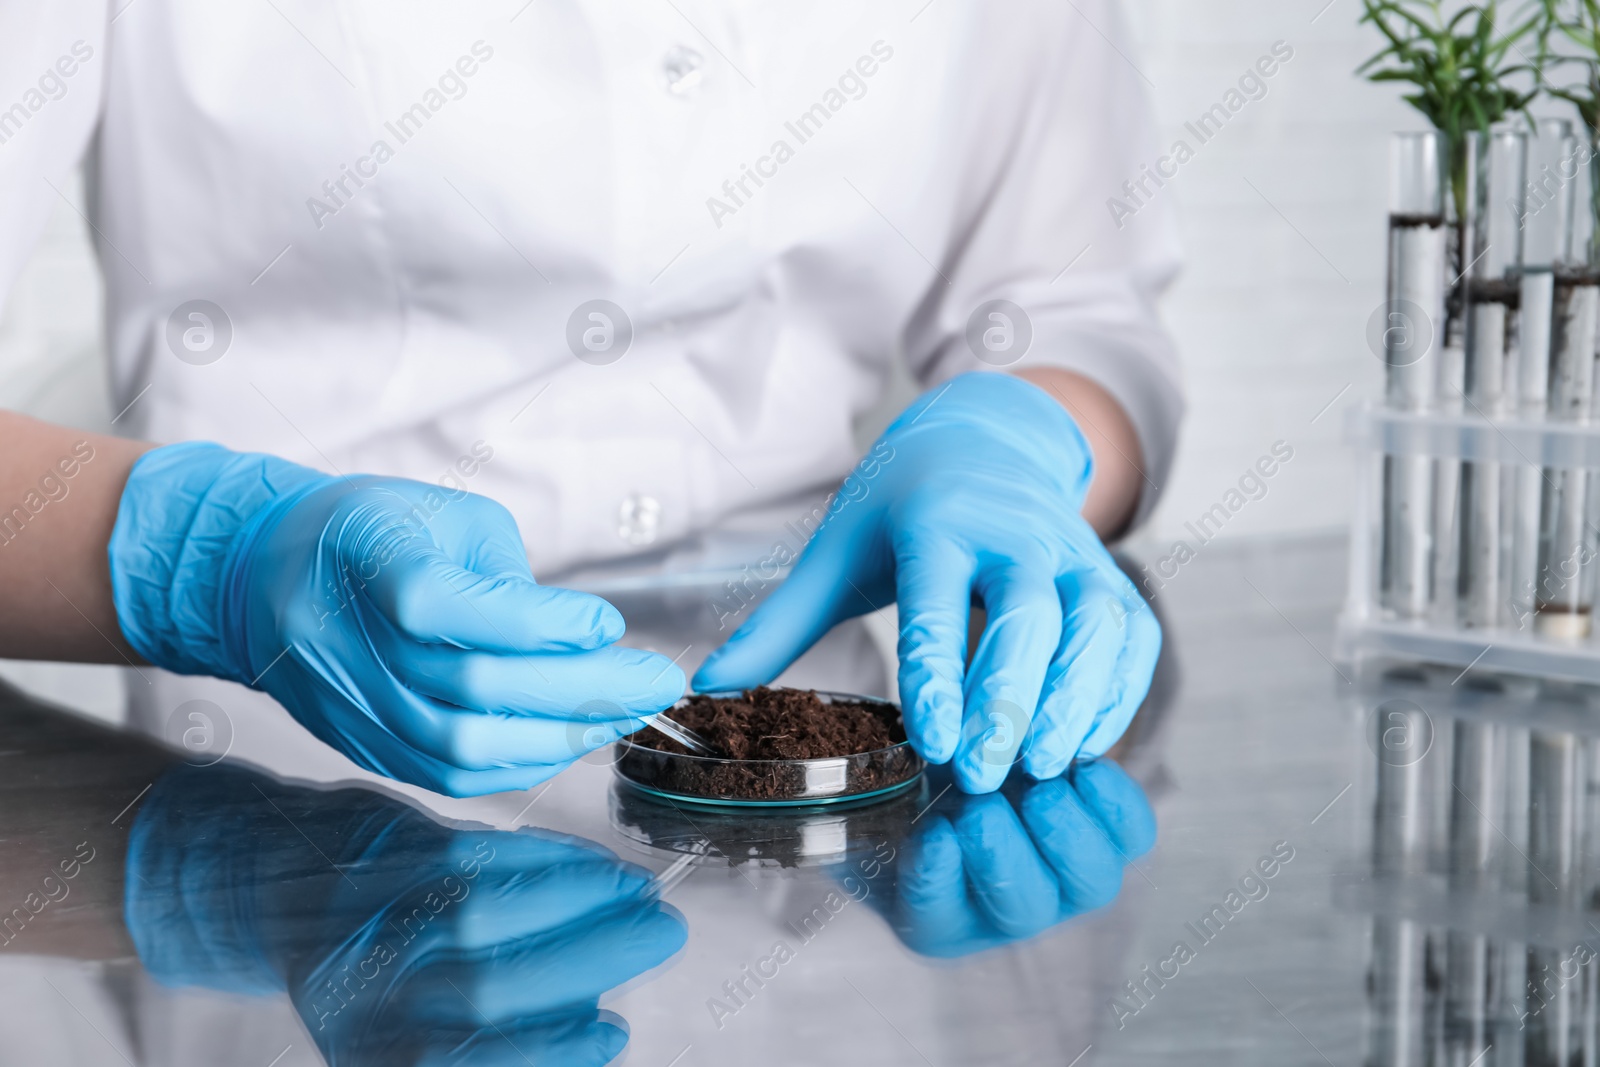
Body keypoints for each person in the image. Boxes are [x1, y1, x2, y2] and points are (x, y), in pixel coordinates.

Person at [0, 0, 1181, 796]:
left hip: (835, 774)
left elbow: (1074, 307)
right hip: (284, 746)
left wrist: (1018, 439)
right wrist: (211, 558)